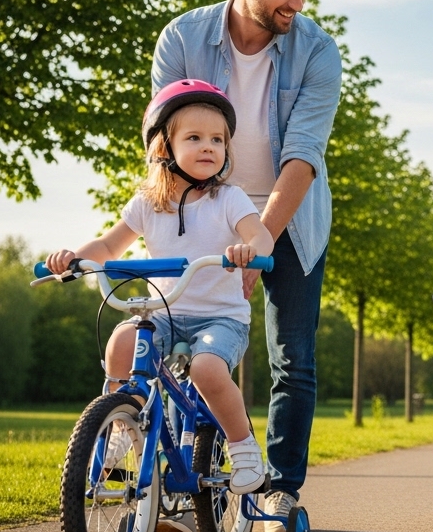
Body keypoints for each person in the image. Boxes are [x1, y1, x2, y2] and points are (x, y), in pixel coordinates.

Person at [152, 0, 342, 532]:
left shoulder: (316, 50)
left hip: (290, 215)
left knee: (293, 358)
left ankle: (279, 492)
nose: (297, 3)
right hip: (202, 208)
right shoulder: (183, 37)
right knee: (182, 346)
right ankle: (185, 491)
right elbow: (164, 143)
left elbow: (304, 155)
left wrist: (259, 236)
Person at [45, 81, 273, 503]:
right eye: (194, 138)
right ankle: (117, 425)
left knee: (206, 369)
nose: (209, 147)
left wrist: (249, 250)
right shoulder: (148, 204)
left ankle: (243, 448)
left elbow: (260, 236)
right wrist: (74, 257)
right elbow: (109, 247)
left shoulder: (230, 198)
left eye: (218, 140)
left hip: (220, 317)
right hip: (164, 310)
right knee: (122, 340)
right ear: (163, 149)